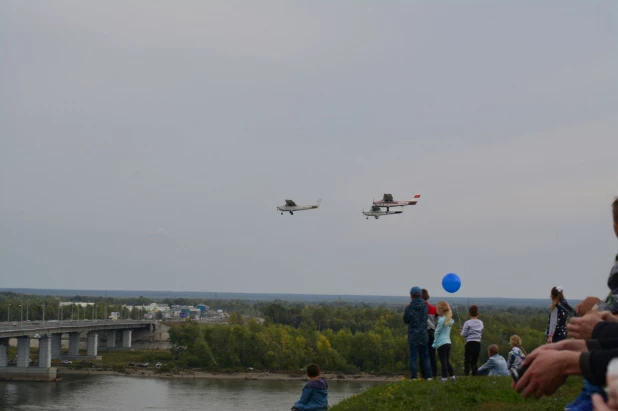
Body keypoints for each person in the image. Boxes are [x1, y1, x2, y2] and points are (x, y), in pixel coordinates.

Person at [403, 286, 432, 380]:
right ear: (420, 295)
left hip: (413, 334)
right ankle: (428, 377)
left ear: (411, 295)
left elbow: (406, 320)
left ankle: (414, 377)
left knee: (413, 357)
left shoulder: (410, 307)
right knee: (425, 356)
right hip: (423, 334)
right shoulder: (425, 306)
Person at [432, 301, 456, 382]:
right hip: (448, 343)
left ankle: (444, 378)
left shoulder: (441, 320)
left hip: (441, 344)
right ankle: (452, 376)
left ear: (440, 310)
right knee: (447, 361)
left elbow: (437, 332)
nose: (436, 310)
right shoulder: (450, 320)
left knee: (443, 362)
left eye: (437, 309)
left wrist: (434, 343)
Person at [461, 305, 483, 376]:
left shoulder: (467, 323)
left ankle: (466, 374)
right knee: (475, 361)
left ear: (469, 314)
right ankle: (475, 375)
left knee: (467, 360)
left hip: (469, 343)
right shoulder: (480, 323)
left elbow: (464, 334)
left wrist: (461, 332)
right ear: (478, 313)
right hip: (477, 344)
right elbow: (480, 332)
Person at [422, 288, 439, 379]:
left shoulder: (419, 309)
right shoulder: (433, 308)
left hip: (423, 332)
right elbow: (439, 320)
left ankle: (425, 375)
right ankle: (434, 374)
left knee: (423, 354)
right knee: (432, 354)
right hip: (432, 332)